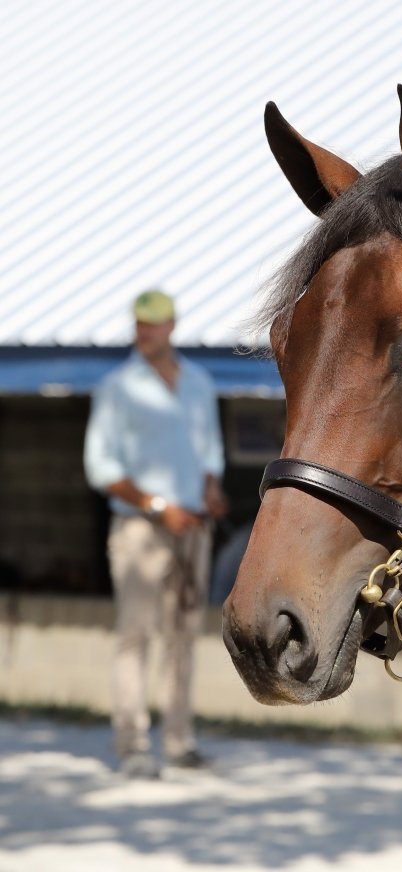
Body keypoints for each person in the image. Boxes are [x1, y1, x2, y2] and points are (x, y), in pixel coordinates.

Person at [84, 289, 228, 779]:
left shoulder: (199, 383)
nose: (144, 331)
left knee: (184, 635)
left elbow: (210, 453)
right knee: (135, 635)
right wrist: (157, 505)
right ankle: (131, 744)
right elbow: (101, 466)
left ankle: (179, 740)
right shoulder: (117, 387)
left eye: (153, 323)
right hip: (139, 529)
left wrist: (211, 492)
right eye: (139, 323)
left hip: (192, 528)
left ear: (171, 325)